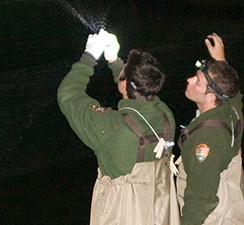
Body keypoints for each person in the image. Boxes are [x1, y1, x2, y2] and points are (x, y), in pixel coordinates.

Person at [57, 29, 180, 225]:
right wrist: (115, 61)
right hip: (156, 215)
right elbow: (140, 93)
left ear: (126, 85)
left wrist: (89, 56)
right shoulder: (165, 117)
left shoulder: (113, 128)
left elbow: (68, 95)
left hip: (123, 215)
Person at [176, 33, 244, 225]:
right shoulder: (230, 111)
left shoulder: (206, 139)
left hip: (213, 219)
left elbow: (200, 200)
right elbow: (235, 96)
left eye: (197, 82)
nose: (189, 80)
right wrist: (221, 60)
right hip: (230, 210)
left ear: (211, 98)